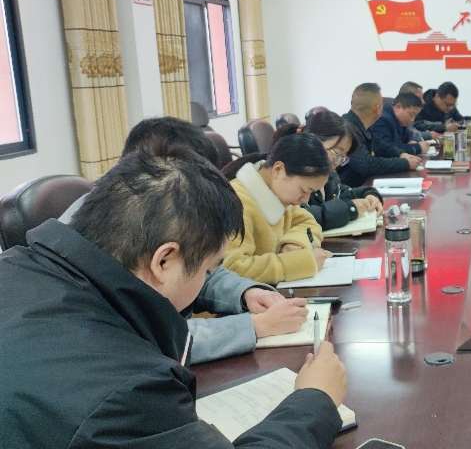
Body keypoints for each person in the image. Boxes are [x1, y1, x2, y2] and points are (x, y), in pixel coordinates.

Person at [0, 148, 347, 448]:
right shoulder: (128, 392)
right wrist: (315, 400)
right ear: (163, 261)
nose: (206, 280)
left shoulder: (19, 265)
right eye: (207, 269)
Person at [58, 117, 308, 365]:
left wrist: (244, 293)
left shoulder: (153, 206)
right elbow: (147, 339)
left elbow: (198, 268)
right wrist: (254, 326)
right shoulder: (105, 233)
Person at [221, 132, 333, 284]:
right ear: (278, 170)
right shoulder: (238, 203)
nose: (305, 200)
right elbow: (233, 268)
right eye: (304, 190)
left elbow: (307, 222)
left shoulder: (277, 192)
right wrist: (301, 263)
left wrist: (294, 242)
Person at [275, 112, 385, 230]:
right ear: (313, 140)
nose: (338, 162)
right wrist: (349, 209)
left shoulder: (326, 173)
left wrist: (368, 194)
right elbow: (300, 216)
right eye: (337, 153)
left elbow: (338, 191)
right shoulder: (293, 169)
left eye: (343, 157)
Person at [341, 83, 421, 187]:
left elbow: (381, 146)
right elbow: (366, 164)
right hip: (348, 189)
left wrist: (401, 154)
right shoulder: (348, 129)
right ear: (377, 108)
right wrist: (405, 163)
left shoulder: (361, 125)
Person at [371, 91, 430, 156]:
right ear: (398, 107)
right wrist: (417, 148)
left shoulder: (399, 120)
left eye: (415, 116)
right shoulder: (381, 120)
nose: (412, 120)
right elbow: (388, 150)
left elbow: (409, 135)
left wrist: (412, 140)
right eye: (411, 114)